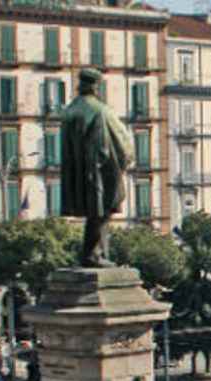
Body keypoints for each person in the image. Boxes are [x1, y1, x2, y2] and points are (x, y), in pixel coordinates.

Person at [61, 68, 135, 267]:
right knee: (103, 210)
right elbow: (121, 140)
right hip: (99, 170)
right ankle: (93, 255)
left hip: (77, 173)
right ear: (95, 87)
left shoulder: (70, 110)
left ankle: (93, 254)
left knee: (97, 213)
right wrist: (126, 159)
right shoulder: (100, 110)